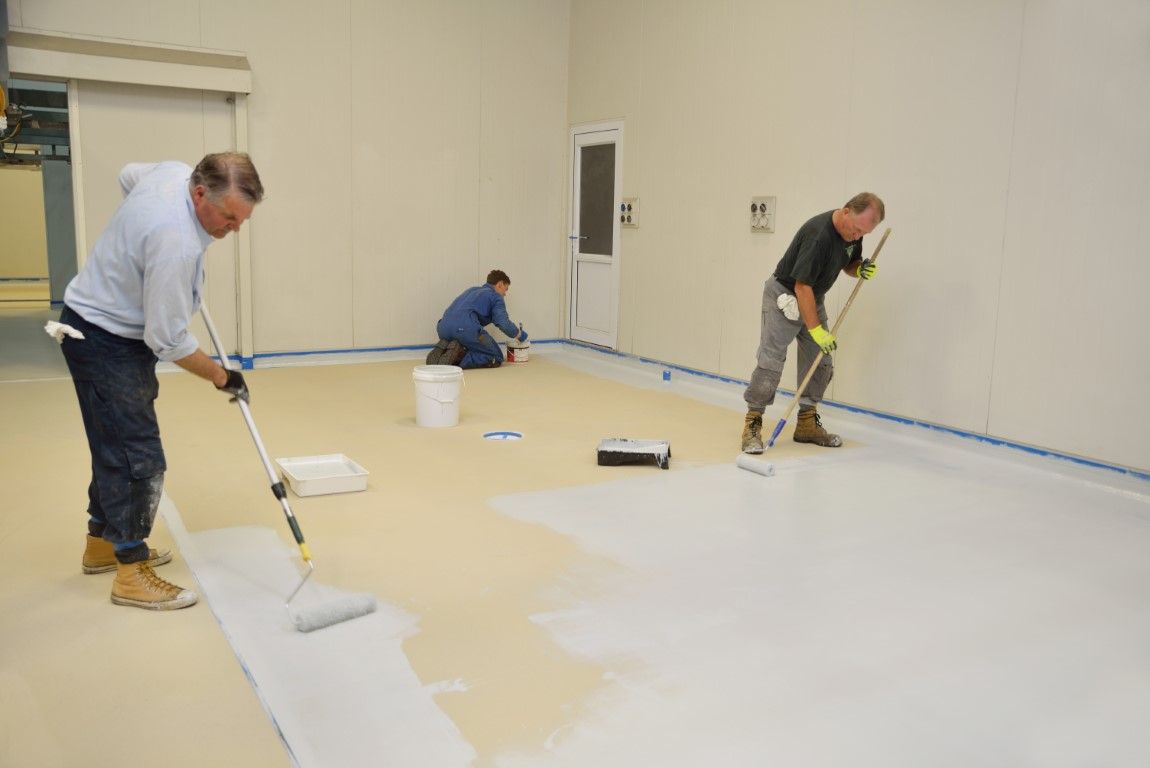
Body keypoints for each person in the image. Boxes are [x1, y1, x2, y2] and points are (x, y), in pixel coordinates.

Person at [59, 152, 264, 611]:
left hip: (99, 328)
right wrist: (222, 376)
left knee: (113, 442)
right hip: (106, 339)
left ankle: (102, 545)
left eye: (242, 220)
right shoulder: (175, 243)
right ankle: (130, 573)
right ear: (199, 193)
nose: (234, 229)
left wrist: (136, 239)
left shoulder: (172, 173)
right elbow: (167, 340)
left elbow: (126, 174)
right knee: (138, 457)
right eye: (229, 218)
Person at [741, 192, 885, 453]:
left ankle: (807, 423)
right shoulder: (818, 235)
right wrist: (817, 330)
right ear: (846, 211)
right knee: (771, 361)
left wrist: (858, 269)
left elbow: (849, 262)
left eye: (863, 233)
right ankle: (753, 423)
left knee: (820, 360)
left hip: (812, 297)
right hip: (785, 295)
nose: (857, 236)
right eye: (856, 229)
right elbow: (801, 286)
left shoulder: (854, 232)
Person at [426, 269, 528, 369]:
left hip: (443, 329)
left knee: (470, 344)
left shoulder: (471, 290)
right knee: (496, 357)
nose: (505, 294)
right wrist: (520, 335)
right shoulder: (495, 296)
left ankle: (444, 349)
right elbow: (503, 323)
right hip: (464, 329)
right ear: (500, 284)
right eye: (505, 289)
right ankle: (458, 357)